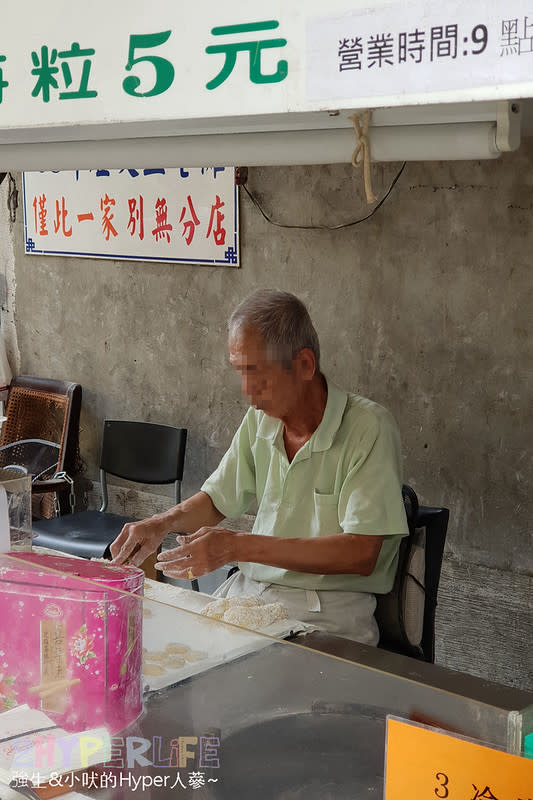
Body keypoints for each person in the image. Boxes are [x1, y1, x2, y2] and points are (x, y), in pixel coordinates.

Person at [111, 289, 408, 644]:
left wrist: (236, 546)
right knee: (159, 650)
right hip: (250, 593)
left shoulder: (368, 428)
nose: (247, 392)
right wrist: (161, 523)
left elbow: (361, 553)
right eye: (240, 372)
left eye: (258, 374)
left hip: (328, 611)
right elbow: (217, 500)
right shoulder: (261, 420)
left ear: (304, 366)